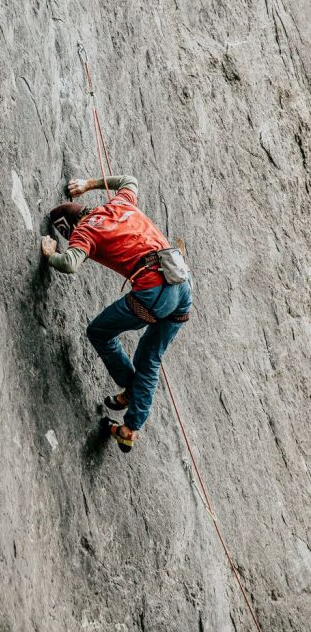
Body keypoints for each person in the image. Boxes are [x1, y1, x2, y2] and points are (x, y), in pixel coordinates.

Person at [40, 174, 191, 452]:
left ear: (69, 230)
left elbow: (70, 264)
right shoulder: (119, 203)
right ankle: (130, 426)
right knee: (150, 356)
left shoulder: (84, 232)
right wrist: (88, 185)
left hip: (154, 291)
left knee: (100, 332)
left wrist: (51, 255)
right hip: (182, 284)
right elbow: (130, 181)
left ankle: (131, 392)